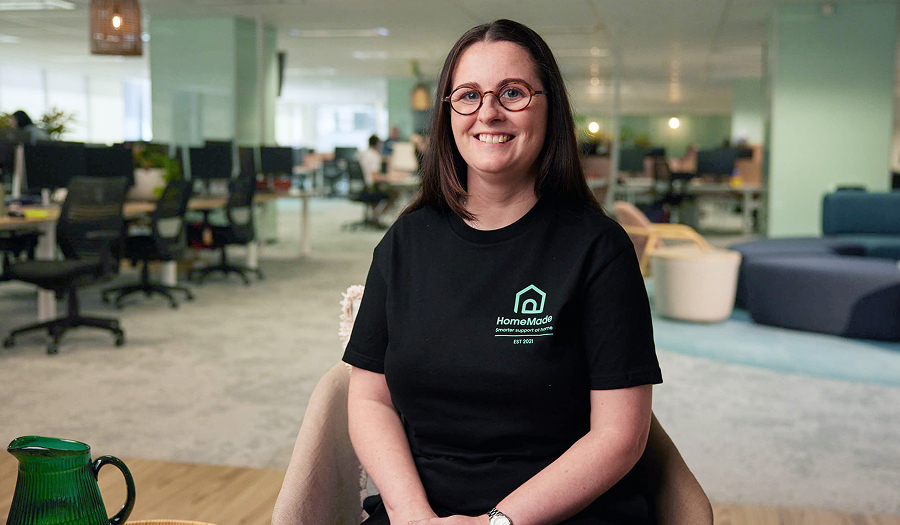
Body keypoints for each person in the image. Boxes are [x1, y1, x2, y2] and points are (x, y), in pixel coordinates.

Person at [343, 19, 662, 525]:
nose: (488, 111)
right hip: (422, 510)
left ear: (548, 105)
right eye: (468, 94)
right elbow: (370, 397)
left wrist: (497, 524)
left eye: (512, 92)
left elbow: (620, 436)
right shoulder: (404, 243)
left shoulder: (598, 248)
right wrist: (410, 514)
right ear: (448, 113)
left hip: (562, 510)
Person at [357, 134, 397, 226]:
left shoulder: (363, 154)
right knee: (394, 193)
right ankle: (377, 216)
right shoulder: (374, 156)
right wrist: (389, 178)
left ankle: (373, 216)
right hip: (372, 188)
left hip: (363, 187)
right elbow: (375, 178)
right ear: (378, 144)